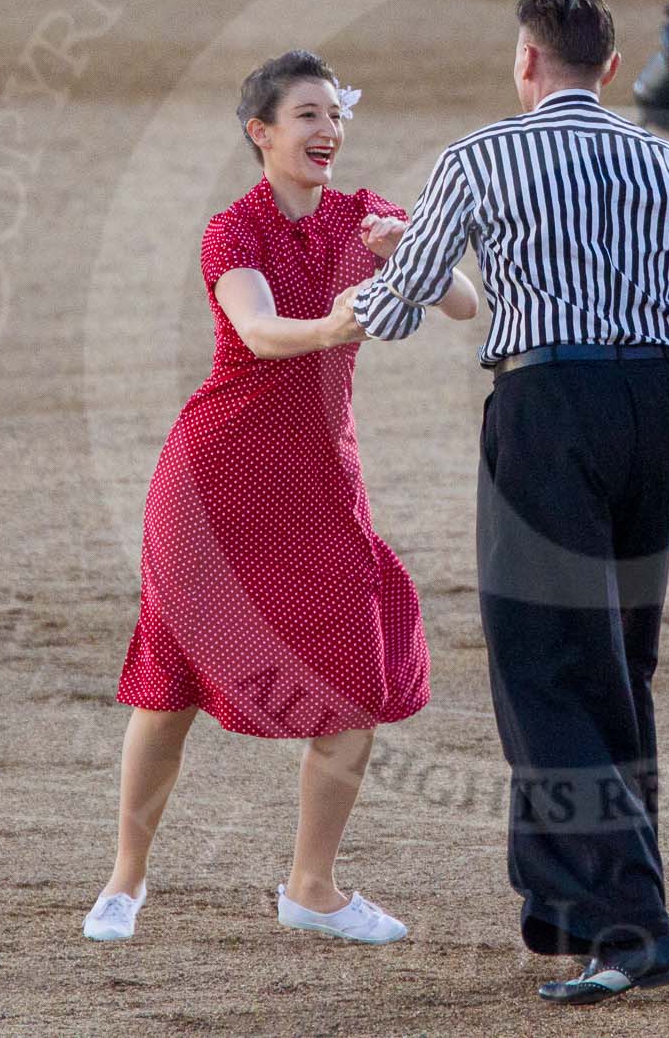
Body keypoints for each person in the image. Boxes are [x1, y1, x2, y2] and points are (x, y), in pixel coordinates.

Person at [351, 0, 669, 1005]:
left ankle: (632, 927)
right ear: (612, 70)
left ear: (524, 63)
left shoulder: (478, 159)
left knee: (543, 670)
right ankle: (562, 904)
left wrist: (375, 265)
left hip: (543, 410)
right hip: (652, 408)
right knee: (614, 664)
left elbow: (398, 314)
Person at [81, 50, 479, 945]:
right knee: (170, 683)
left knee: (355, 680)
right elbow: (258, 333)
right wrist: (339, 320)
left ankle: (314, 886)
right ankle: (125, 879)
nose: (327, 130)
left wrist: (408, 252)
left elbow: (462, 301)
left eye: (334, 114)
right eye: (307, 115)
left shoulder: (364, 212)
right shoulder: (234, 231)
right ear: (261, 132)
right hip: (214, 483)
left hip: (320, 486)